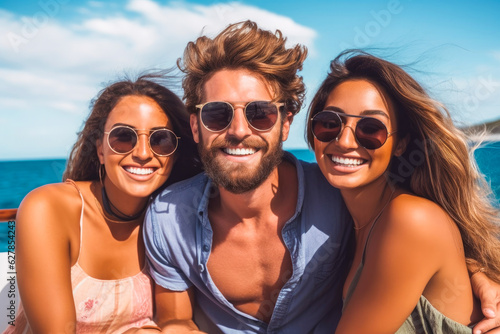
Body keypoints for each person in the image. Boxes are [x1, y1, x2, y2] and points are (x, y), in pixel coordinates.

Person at [144, 21, 500, 333]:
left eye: (260, 114)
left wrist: (478, 276)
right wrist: (476, 271)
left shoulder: (371, 209)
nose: (238, 130)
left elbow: (420, 240)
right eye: (219, 115)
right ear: (195, 126)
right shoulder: (168, 219)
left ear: (286, 125)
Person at [306, 50, 500, 333]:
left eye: (371, 128)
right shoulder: (344, 214)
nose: (345, 141)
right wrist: (476, 270)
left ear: (401, 144)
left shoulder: (408, 218)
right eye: (330, 123)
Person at [4, 72, 201, 333]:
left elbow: (174, 322)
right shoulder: (48, 209)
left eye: (160, 140)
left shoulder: (170, 222)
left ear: (175, 154)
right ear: (100, 149)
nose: (142, 153)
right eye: (124, 137)